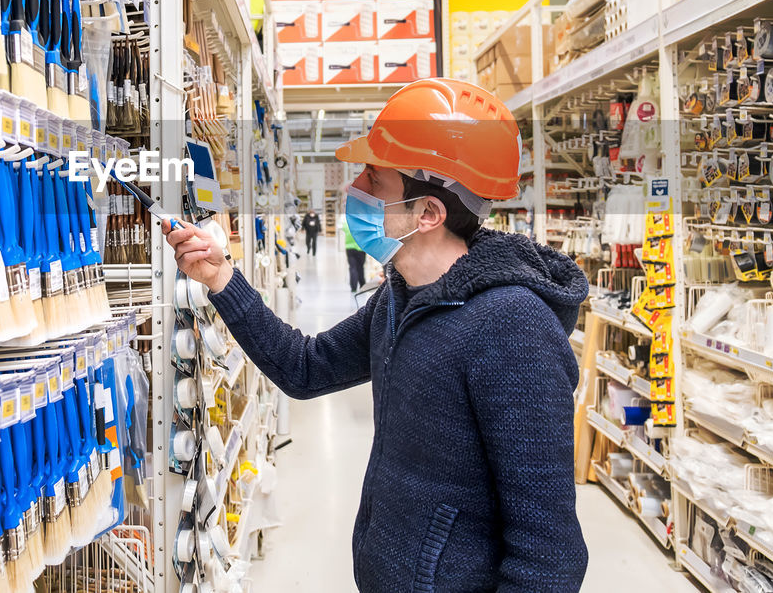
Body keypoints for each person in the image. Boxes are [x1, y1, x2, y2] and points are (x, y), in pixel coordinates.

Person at [165, 78, 588, 593]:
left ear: (428, 213)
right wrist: (221, 278)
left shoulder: (512, 328)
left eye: (374, 179)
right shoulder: (401, 297)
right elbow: (304, 367)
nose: (354, 189)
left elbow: (549, 556)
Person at [340, 211, 366, 292]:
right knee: (360, 267)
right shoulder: (362, 225)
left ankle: (353, 287)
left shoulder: (347, 224)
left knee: (352, 267)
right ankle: (362, 284)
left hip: (349, 248)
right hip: (361, 248)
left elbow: (342, 228)